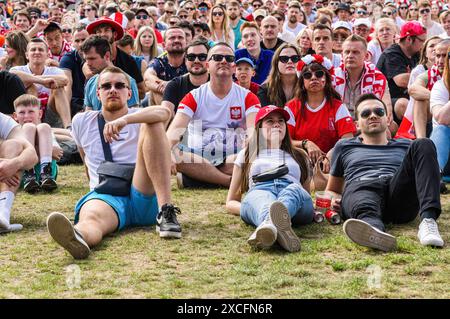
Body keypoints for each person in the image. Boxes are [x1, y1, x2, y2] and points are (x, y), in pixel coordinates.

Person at [46, 66, 182, 260]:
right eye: (106, 86)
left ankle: (166, 212)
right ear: (98, 93)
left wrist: (125, 121)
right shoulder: (82, 121)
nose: (113, 89)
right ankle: (78, 236)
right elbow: (86, 162)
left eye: (119, 85)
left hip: (142, 190)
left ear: (129, 93)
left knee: (151, 125)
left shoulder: (140, 115)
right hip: (107, 197)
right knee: (91, 218)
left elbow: (163, 113)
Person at [326, 93, 444, 251]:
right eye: (366, 114)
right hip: (362, 186)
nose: (373, 116)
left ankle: (428, 221)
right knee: (363, 202)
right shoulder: (344, 146)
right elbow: (332, 189)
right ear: (357, 125)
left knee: (424, 143)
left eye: (379, 112)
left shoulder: (406, 144)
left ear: (388, 119)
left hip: (397, 191)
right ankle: (374, 232)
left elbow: (425, 172)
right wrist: (334, 199)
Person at [167, 42, 261, 188]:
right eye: (217, 57)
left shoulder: (248, 97)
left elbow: (253, 132)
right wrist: (169, 151)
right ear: (207, 65)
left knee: (254, 155)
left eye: (229, 59)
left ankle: (196, 179)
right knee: (176, 154)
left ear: (233, 67)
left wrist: (249, 147)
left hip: (233, 156)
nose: (223, 61)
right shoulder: (193, 97)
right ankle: (230, 182)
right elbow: (174, 131)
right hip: (197, 154)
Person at [226, 105, 314, 252]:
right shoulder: (247, 154)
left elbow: (304, 195)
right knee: (265, 202)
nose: (277, 124)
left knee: (294, 190)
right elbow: (231, 201)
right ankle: (276, 226)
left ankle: (269, 225)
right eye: (270, 121)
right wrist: (250, 208)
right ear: (259, 128)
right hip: (261, 192)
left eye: (281, 121)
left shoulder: (300, 155)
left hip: (294, 198)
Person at [286, 54, 356, 169]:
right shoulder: (291, 107)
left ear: (326, 79)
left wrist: (332, 153)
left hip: (333, 163)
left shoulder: (338, 106)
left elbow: (347, 139)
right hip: (300, 162)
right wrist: (306, 144)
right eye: (307, 75)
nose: (313, 78)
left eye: (318, 74)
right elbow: (286, 141)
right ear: (302, 82)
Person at [10, 38, 72, 130]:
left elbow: (64, 80)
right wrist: (42, 81)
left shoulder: (54, 71)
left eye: (41, 50)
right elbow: (12, 74)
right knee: (31, 87)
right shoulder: (19, 70)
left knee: (58, 88)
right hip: (27, 116)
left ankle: (69, 127)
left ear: (47, 55)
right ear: (27, 55)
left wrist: (30, 79)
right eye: (33, 49)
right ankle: (34, 127)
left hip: (51, 113)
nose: (37, 52)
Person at [333, 35, 394, 125]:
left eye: (355, 52)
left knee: (391, 127)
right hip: (339, 124)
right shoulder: (333, 76)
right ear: (342, 55)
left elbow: (386, 112)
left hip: (367, 123)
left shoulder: (377, 78)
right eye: (347, 52)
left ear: (366, 56)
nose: (350, 56)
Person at [376, 21, 426, 124]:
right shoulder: (392, 54)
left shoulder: (416, 53)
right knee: (403, 104)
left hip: (408, 97)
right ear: (409, 39)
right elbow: (401, 80)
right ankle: (415, 137)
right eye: (422, 40)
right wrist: (425, 77)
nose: (423, 44)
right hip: (386, 101)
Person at [397, 36, 445, 139]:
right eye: (438, 55)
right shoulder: (428, 73)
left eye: (444, 55)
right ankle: (421, 141)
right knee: (419, 99)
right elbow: (413, 89)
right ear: (426, 53)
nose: (441, 60)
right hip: (435, 110)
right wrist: (439, 98)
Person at [87, 17, 145, 99]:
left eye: (106, 30)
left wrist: (121, 91)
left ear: (115, 34)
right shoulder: (90, 59)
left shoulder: (128, 61)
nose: (102, 34)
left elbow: (142, 92)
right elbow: (88, 77)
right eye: (99, 31)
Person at [13, 94, 61, 193]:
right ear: (15, 116)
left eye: (31, 112)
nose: (26, 116)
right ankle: (29, 174)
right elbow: (14, 157)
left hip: (48, 175)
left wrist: (30, 152)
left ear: (39, 113)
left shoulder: (45, 131)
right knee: (28, 127)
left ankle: (46, 173)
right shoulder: (13, 134)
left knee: (44, 126)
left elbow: (57, 154)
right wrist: (44, 150)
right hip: (22, 175)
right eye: (22, 112)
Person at [0, 111, 38, 233]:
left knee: (14, 145)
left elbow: (32, 154)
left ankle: (2, 214)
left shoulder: (3, 120)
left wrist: (13, 164)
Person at [81, 35, 140, 111]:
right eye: (86, 59)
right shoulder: (91, 82)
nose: (88, 63)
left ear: (107, 56)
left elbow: (134, 116)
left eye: (92, 58)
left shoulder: (128, 81)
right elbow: (88, 116)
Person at [162, 39, 210, 121]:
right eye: (191, 57)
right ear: (185, 60)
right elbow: (166, 113)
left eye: (202, 57)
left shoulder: (218, 83)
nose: (196, 60)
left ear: (209, 60)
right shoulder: (175, 85)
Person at [145, 26, 187, 105]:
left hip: (188, 103)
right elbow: (148, 77)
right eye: (172, 38)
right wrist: (165, 87)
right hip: (165, 105)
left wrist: (170, 86)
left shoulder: (192, 60)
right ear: (164, 45)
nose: (177, 40)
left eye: (180, 37)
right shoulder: (158, 62)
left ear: (186, 43)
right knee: (155, 92)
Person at [430, 45, 450, 184]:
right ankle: (435, 174)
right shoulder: (440, 86)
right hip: (446, 149)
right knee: (441, 129)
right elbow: (442, 118)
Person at [60, 24, 89, 119]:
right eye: (77, 41)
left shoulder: (99, 56)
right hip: (75, 103)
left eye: (84, 40)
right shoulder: (67, 58)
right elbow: (67, 86)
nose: (80, 44)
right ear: (72, 42)